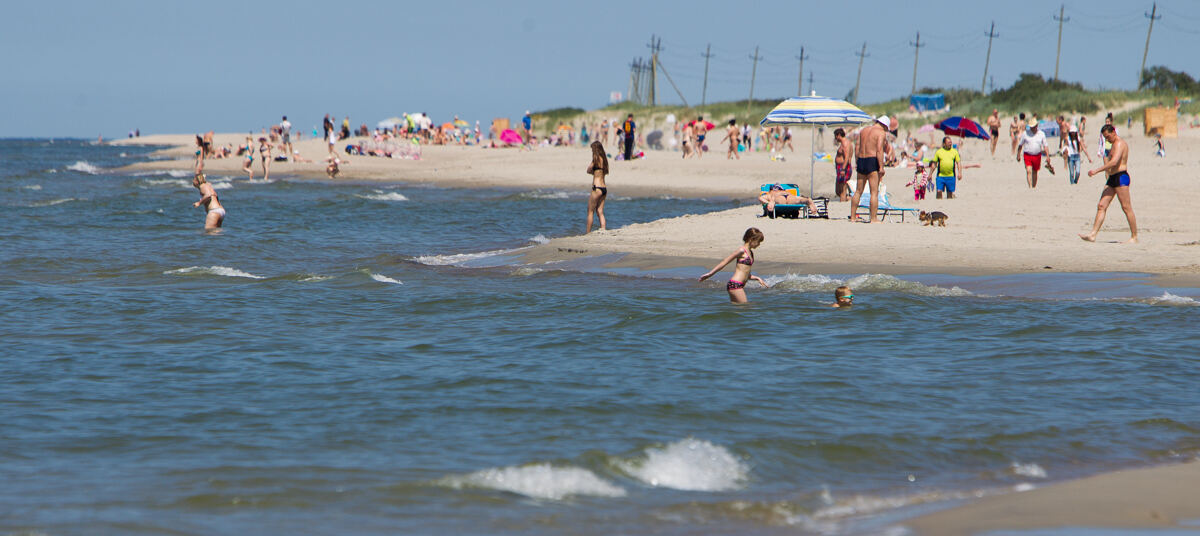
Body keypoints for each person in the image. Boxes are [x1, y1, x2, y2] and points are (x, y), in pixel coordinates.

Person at [1081, 125, 1137, 244]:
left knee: (1126, 207)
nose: (1107, 139)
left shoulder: (1120, 144)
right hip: (1112, 178)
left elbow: (1114, 162)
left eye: (1108, 136)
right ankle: (1093, 234)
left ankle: (1134, 236)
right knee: (1101, 205)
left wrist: (1096, 171)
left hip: (1121, 177)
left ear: (1113, 132)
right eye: (1105, 138)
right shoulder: (1112, 145)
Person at [698, 228, 768, 304]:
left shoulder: (750, 253)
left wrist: (757, 278)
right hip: (735, 285)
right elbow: (725, 262)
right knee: (745, 307)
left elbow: (745, 273)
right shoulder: (741, 250)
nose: (759, 244)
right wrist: (710, 274)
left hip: (738, 285)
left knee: (740, 310)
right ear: (751, 239)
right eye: (758, 242)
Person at [849, 116, 889, 222]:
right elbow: (879, 150)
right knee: (874, 192)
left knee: (858, 191)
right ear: (884, 125)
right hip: (872, 160)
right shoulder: (881, 133)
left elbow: (857, 147)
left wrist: (857, 161)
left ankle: (853, 217)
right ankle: (873, 218)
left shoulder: (864, 130)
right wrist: (881, 167)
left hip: (862, 160)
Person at [585, 141, 609, 233]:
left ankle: (587, 233)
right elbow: (603, 172)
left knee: (590, 211)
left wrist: (593, 172)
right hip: (604, 189)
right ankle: (603, 230)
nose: (592, 152)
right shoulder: (605, 160)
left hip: (597, 188)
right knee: (600, 211)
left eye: (592, 150)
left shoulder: (595, 159)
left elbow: (588, 170)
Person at [1017, 122, 1049, 188]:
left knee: (1035, 171)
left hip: (1037, 155)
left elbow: (1045, 146)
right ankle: (1030, 186)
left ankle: (1034, 186)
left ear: (1037, 126)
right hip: (1027, 155)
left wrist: (1047, 156)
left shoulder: (1041, 134)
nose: (1032, 128)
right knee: (1028, 171)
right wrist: (1018, 154)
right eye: (1031, 126)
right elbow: (1020, 145)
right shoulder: (1025, 133)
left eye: (1033, 126)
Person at [834, 128, 853, 201]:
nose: (835, 138)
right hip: (841, 167)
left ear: (839, 135)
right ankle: (848, 198)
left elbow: (847, 157)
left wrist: (843, 169)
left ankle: (844, 201)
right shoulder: (844, 143)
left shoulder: (845, 143)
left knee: (842, 190)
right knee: (838, 191)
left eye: (835, 136)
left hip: (843, 167)